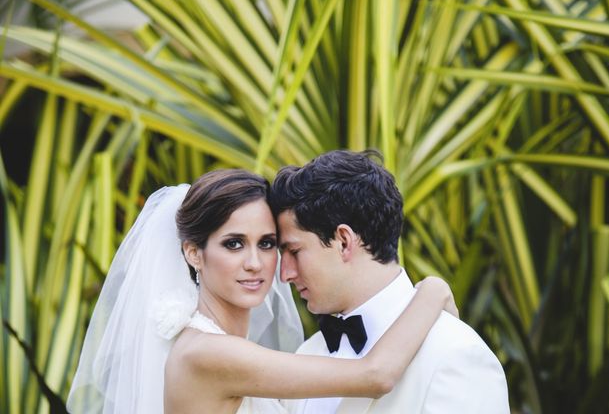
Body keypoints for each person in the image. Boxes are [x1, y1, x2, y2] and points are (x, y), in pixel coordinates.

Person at [67, 169, 458, 414]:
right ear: (193, 253)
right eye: (233, 244)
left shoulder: (238, 351)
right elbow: (375, 375)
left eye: (269, 243)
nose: (255, 263)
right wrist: (435, 289)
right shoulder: (206, 353)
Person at [271, 150, 510, 414]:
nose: (285, 274)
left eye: (294, 251)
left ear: (344, 241)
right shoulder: (307, 352)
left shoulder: (456, 354)